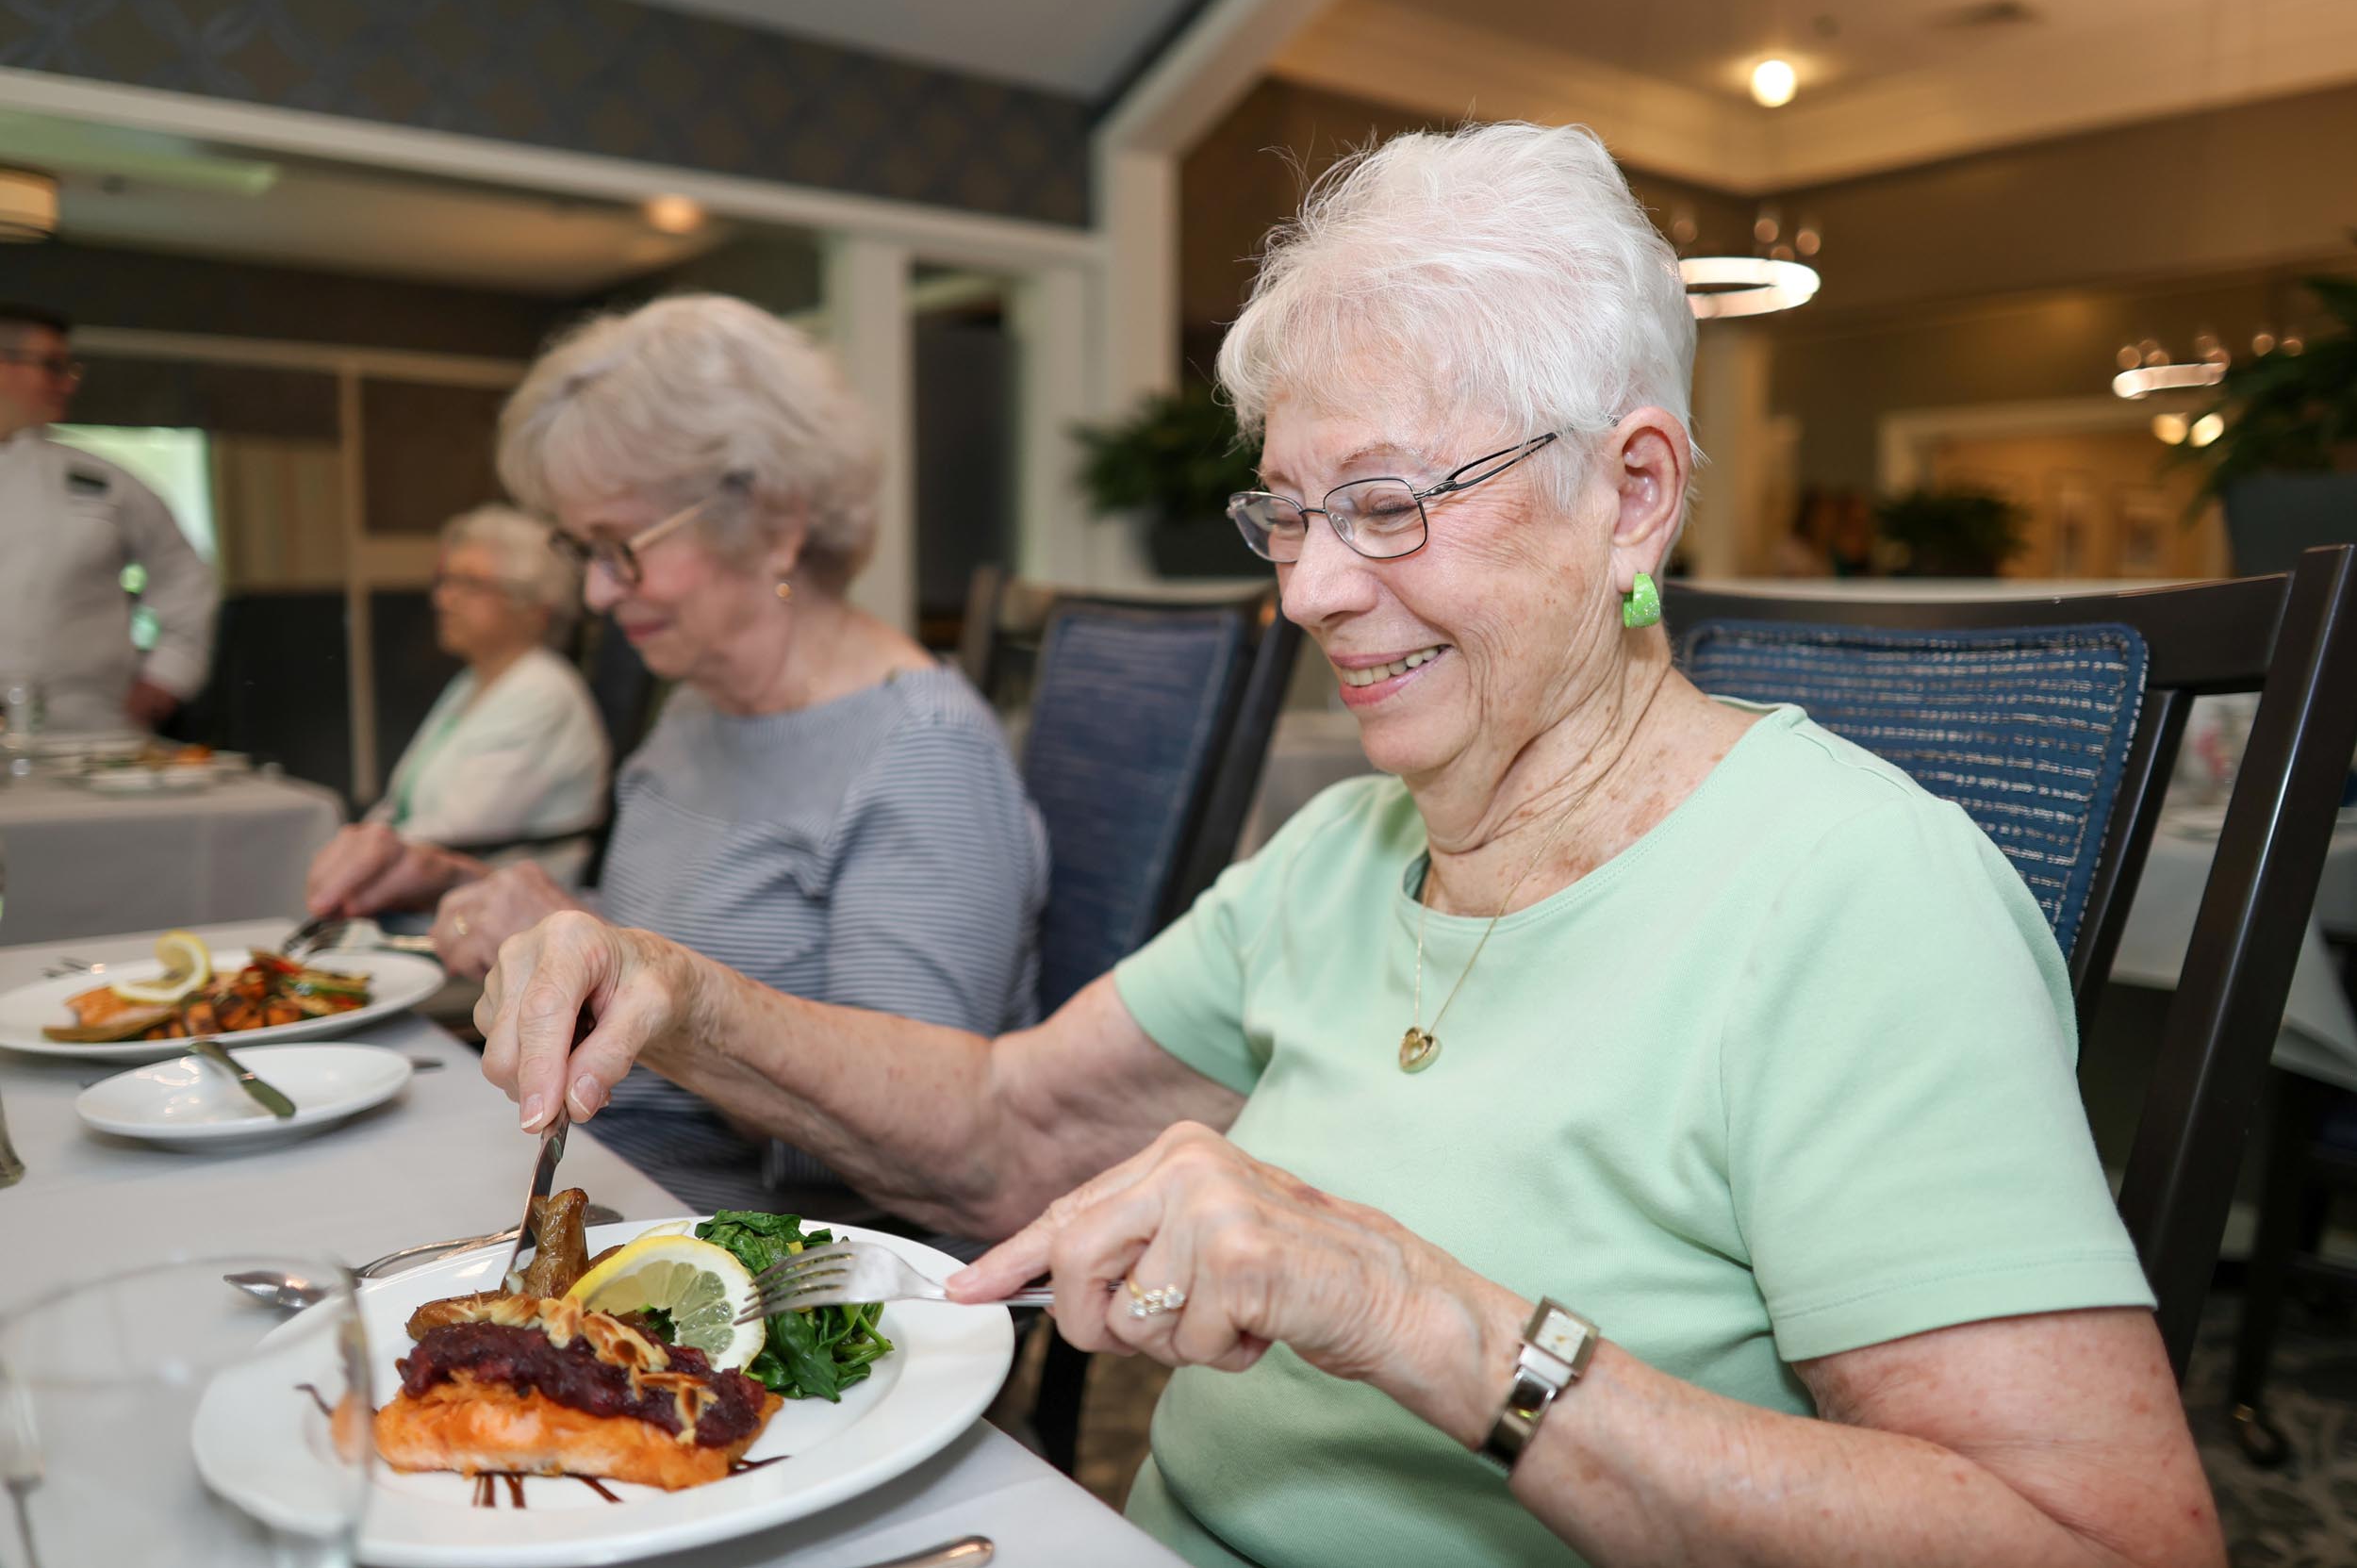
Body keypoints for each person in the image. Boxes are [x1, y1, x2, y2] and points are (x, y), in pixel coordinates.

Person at [470, 125, 2220, 1568]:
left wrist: (1425, 1313)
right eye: (1290, 512)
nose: (1306, 586)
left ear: (1633, 491)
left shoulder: (1854, 895)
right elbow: (1013, 1127)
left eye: (1388, 505)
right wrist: (685, 998)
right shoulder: (1347, 845)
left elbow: (2107, 1543)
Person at [312, 293, 1047, 1217]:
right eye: (581, 547)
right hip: (606, 1172)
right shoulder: (697, 709)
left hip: (752, 1254)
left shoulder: (920, 754)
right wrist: (468, 889)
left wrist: (638, 1004)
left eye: (622, 545)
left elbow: (919, 1144)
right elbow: (666, 938)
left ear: (775, 518)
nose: (593, 588)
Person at [305, 504, 607, 896]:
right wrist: (364, 841)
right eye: (445, 581)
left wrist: (365, 853)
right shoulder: (472, 682)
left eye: (469, 584)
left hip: (503, 914)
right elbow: (399, 802)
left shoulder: (544, 692)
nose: (444, 599)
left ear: (535, 607)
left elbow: (457, 830)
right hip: (424, 895)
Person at [0, 304, 218, 734]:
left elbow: (184, 576)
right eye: (52, 366)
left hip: (87, 727)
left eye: (70, 368)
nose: (68, 383)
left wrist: (168, 675)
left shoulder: (103, 480)